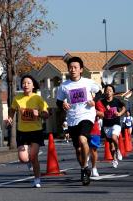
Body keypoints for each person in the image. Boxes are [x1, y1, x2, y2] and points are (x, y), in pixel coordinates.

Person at [56, 56, 100, 186]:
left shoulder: (88, 82)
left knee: (83, 139)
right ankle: (83, 168)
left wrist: (94, 100)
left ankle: (86, 167)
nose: (72, 69)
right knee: (78, 150)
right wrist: (63, 105)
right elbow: (58, 102)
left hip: (86, 115)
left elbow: (99, 93)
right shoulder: (64, 86)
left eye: (75, 67)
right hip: (72, 118)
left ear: (81, 69)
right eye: (70, 67)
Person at [7, 75, 49, 188]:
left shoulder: (38, 98)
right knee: (23, 158)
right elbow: (12, 110)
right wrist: (10, 118)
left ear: (33, 85)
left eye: (28, 83)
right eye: (24, 83)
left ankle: (37, 179)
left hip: (36, 131)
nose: (26, 85)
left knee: (34, 156)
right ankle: (29, 161)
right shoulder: (17, 98)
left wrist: (39, 114)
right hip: (22, 131)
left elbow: (46, 114)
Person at [101, 84, 126, 168]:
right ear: (104, 92)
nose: (108, 92)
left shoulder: (116, 101)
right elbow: (97, 110)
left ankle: (118, 150)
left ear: (113, 92)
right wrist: (103, 111)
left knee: (114, 137)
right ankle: (114, 159)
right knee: (111, 146)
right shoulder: (102, 102)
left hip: (116, 123)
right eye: (107, 90)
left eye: (110, 90)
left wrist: (119, 113)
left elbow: (124, 108)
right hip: (106, 125)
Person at [88, 95, 106, 177]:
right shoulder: (79, 98)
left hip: (93, 129)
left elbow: (102, 114)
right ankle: (84, 167)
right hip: (81, 128)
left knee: (93, 150)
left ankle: (94, 168)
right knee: (81, 149)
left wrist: (93, 111)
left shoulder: (96, 100)